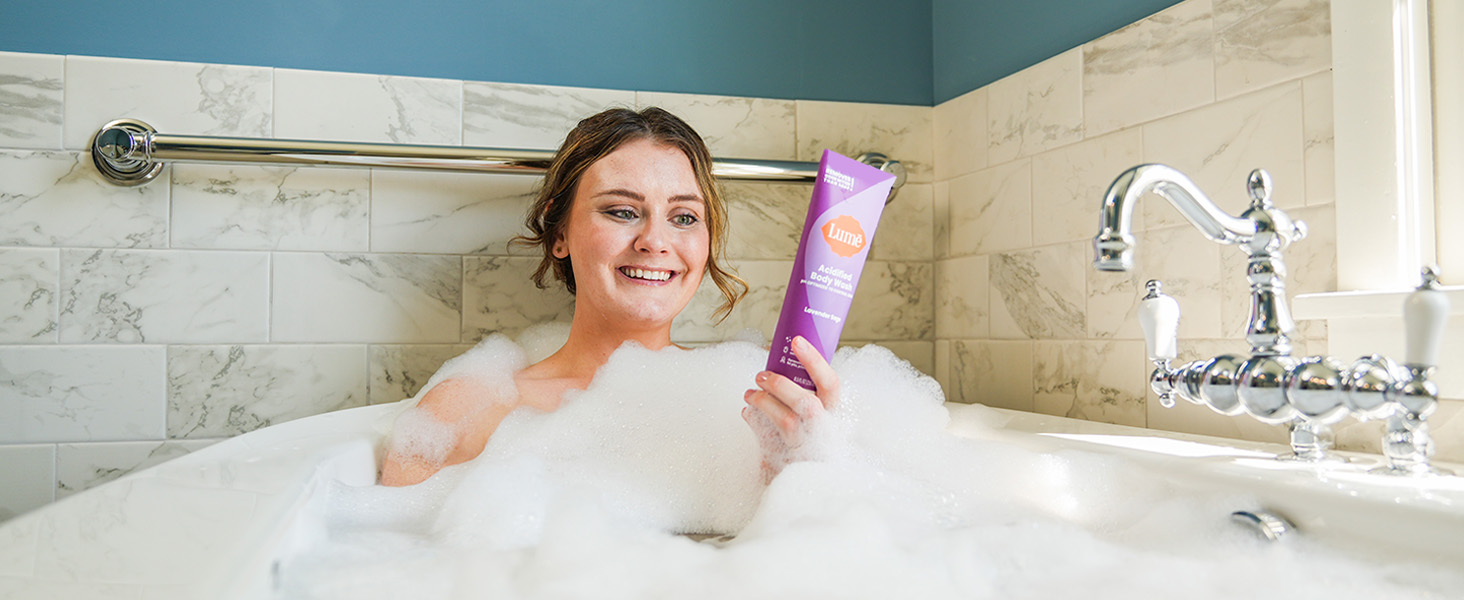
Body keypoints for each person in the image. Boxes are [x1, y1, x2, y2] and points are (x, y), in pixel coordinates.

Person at [380, 107, 841, 487]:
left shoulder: (759, 400)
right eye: (622, 211)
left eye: (683, 218)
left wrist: (796, 471)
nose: (655, 241)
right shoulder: (463, 412)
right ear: (559, 232)